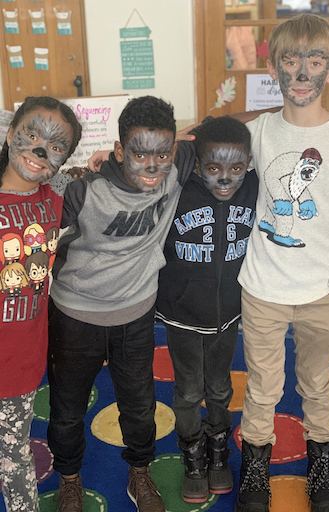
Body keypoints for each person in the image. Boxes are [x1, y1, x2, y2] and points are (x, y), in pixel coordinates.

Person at [47, 96, 198, 512]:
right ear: (118, 151)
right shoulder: (83, 191)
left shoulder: (177, 167)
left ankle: (139, 473)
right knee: (66, 408)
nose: (152, 166)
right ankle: (70, 479)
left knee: (139, 402)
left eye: (162, 154)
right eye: (138, 153)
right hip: (76, 316)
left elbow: (221, 129)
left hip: (135, 314)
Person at [233, 14, 329, 512]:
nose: (301, 74)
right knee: (262, 385)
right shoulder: (257, 133)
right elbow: (197, 145)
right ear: (273, 67)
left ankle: (322, 463)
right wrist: (114, 155)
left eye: (314, 61)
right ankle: (254, 466)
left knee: (318, 382)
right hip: (263, 289)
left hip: (325, 293)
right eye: (290, 61)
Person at [155, 116, 257, 503]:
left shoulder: (254, 188)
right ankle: (193, 459)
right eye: (213, 168)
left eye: (236, 168)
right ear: (196, 164)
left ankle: (218, 456)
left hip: (228, 314)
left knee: (219, 389)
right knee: (187, 392)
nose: (225, 180)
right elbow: (152, 158)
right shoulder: (176, 189)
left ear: (248, 163)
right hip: (182, 315)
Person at [0, 96, 82, 512]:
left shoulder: (58, 198)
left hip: (20, 358)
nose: (38, 151)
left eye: (54, 146)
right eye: (30, 135)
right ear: (11, 133)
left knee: (14, 456)